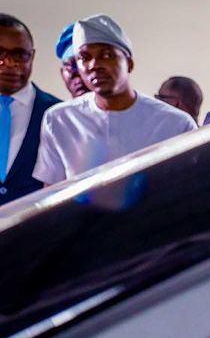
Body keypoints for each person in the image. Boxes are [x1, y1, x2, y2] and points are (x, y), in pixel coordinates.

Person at [33, 14, 195, 186]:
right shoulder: (60, 119)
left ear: (129, 63)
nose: (94, 64)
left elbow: (189, 192)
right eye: (84, 57)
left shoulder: (175, 124)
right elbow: (50, 196)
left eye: (106, 55)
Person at [0, 14, 61, 203]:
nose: (10, 63)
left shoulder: (59, 114)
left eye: (20, 54)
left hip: (34, 229)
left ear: (32, 56)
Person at [54, 22, 88, 100]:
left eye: (83, 61)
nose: (78, 79)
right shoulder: (56, 111)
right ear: (62, 74)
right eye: (69, 67)